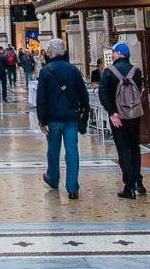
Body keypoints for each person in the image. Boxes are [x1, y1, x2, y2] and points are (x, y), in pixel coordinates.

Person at [36, 38, 89, 200]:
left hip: (53, 119)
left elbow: (41, 99)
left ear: (51, 53)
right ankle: (72, 188)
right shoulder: (73, 70)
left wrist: (42, 120)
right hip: (71, 118)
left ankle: (53, 178)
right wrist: (84, 116)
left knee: (53, 150)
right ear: (64, 51)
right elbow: (83, 95)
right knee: (72, 151)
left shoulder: (46, 71)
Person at [99, 42, 146, 199]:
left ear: (118, 54)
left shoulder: (109, 71)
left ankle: (129, 186)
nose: (112, 55)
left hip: (118, 117)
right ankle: (138, 180)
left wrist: (112, 112)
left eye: (113, 53)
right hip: (134, 115)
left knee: (123, 149)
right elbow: (139, 90)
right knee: (135, 147)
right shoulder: (136, 71)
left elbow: (103, 94)